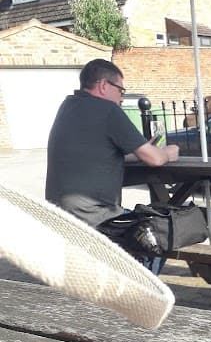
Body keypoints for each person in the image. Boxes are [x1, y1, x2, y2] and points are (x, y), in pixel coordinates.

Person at [45, 59, 179, 273]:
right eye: (121, 91)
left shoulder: (68, 106)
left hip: (60, 215)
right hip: (95, 217)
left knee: (148, 224)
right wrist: (169, 152)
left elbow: (96, 153)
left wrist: (138, 152)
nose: (122, 99)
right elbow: (155, 159)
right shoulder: (107, 110)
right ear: (104, 85)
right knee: (161, 233)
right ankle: (141, 290)